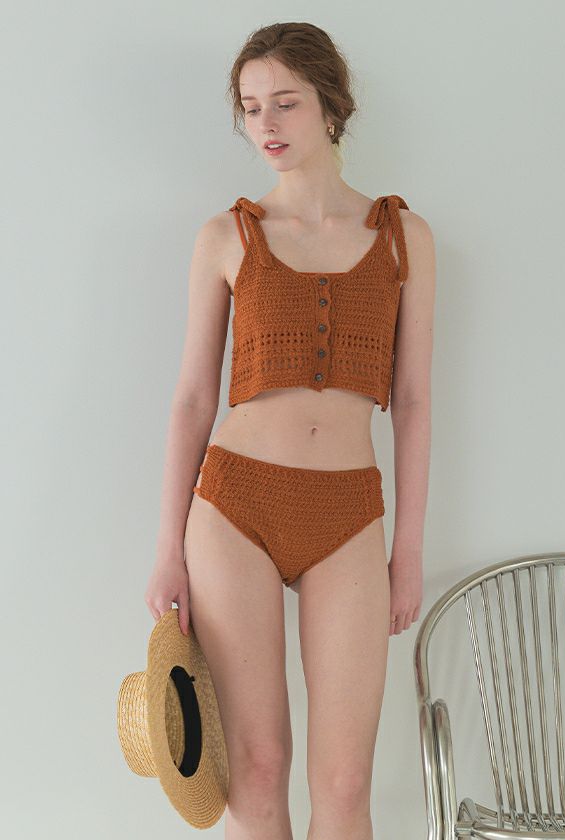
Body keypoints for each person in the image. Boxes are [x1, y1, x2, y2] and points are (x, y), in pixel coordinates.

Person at [144, 21, 435, 840]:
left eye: (285, 103)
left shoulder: (404, 238)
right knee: (258, 764)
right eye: (249, 107)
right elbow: (192, 400)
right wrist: (168, 547)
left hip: (349, 514)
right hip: (234, 507)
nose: (265, 124)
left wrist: (408, 550)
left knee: (344, 781)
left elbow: (414, 401)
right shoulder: (226, 238)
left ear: (332, 107)